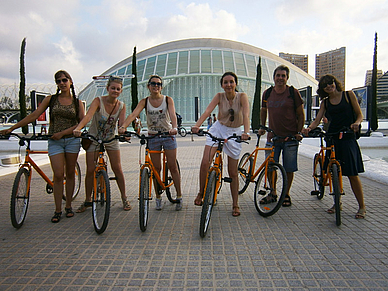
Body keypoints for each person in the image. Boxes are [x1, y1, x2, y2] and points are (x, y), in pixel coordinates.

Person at [0, 70, 85, 223]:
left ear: (70, 81)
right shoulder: (51, 100)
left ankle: (69, 206)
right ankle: (58, 209)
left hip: (72, 140)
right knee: (58, 175)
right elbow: (33, 115)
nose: (62, 83)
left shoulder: (77, 102)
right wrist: (12, 128)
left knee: (70, 173)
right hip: (55, 141)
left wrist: (64, 132)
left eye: (64, 80)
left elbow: (81, 123)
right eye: (58, 81)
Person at [302, 75, 366, 219]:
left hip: (347, 137)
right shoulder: (325, 102)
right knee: (333, 173)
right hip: (332, 138)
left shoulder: (348, 95)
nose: (329, 86)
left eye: (330, 83)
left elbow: (359, 115)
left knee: (352, 174)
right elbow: (317, 120)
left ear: (335, 82)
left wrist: (356, 123)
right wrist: (309, 129)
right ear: (323, 89)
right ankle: (337, 203)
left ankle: (361, 206)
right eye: (325, 85)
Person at [118, 75, 183, 211]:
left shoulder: (167, 100)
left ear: (161, 87)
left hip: (167, 135)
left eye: (158, 84)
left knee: (172, 166)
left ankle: (179, 195)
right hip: (153, 136)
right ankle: (158, 197)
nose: (156, 86)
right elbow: (133, 114)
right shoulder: (145, 101)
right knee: (156, 169)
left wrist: (174, 128)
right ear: (148, 86)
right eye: (153, 84)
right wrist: (124, 126)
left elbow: (172, 115)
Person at [192, 72, 250, 216]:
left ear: (236, 83)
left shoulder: (242, 96)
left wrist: (246, 132)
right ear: (222, 85)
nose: (228, 85)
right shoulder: (219, 96)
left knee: (233, 172)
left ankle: (235, 204)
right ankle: (201, 192)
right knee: (205, 162)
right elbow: (207, 111)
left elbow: (246, 115)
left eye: (231, 82)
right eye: (225, 82)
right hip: (218, 128)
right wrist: (197, 125)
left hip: (235, 131)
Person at [73, 76, 131, 212]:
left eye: (118, 89)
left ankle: (124, 198)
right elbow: (88, 116)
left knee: (117, 168)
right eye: (113, 88)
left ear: (121, 91)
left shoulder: (121, 106)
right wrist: (78, 129)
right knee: (90, 170)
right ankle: (88, 200)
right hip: (94, 138)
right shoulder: (98, 101)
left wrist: (123, 132)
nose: (115, 91)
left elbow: (121, 124)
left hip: (110, 138)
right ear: (107, 88)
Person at [258, 65, 304, 207]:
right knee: (270, 167)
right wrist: (262, 127)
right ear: (274, 77)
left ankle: (286, 194)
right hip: (273, 137)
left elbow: (300, 113)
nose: (280, 78)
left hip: (290, 138)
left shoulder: (293, 92)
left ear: (287, 78)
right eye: (278, 75)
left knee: (289, 168)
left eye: (283, 76)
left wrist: (299, 132)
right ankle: (273, 192)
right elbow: (263, 110)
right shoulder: (267, 93)